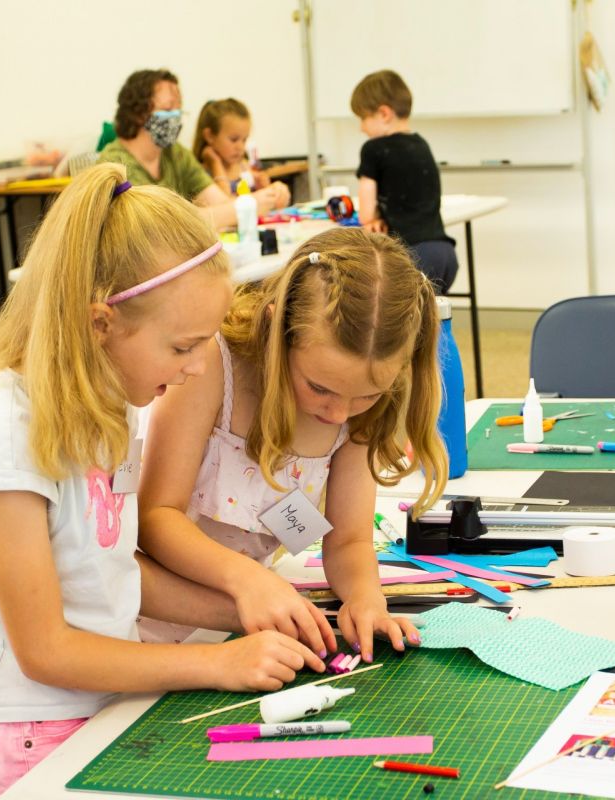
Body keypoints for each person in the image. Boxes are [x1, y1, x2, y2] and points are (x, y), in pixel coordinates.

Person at [0, 164, 324, 800]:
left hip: (100, 705)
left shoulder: (104, 403)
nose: (199, 368)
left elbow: (108, 568)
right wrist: (215, 662)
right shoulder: (5, 432)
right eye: (182, 347)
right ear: (99, 324)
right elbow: (45, 650)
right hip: (27, 733)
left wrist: (245, 615)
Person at [138, 226, 448, 660]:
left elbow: (349, 539)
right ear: (276, 330)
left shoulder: (359, 408)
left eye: (367, 395)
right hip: (144, 625)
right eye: (319, 388)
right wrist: (246, 578)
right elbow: (155, 517)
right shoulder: (212, 365)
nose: (340, 413)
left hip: (246, 627)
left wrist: (365, 600)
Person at [98, 69, 288, 232]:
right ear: (139, 113)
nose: (177, 116)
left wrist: (270, 196)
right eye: (168, 108)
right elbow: (162, 228)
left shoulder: (175, 153)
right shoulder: (114, 164)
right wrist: (248, 206)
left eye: (179, 109)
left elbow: (220, 203)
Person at [350, 70, 459, 294]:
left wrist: (374, 218)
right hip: (444, 254)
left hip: (414, 257)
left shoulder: (373, 149)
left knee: (404, 325)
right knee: (432, 324)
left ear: (383, 113)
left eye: (363, 118)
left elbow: (366, 214)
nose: (361, 128)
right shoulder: (421, 144)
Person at [192, 97, 282, 198]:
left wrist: (261, 186)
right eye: (234, 139)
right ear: (209, 136)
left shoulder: (243, 166)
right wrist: (215, 163)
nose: (240, 147)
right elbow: (223, 202)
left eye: (244, 140)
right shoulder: (200, 174)